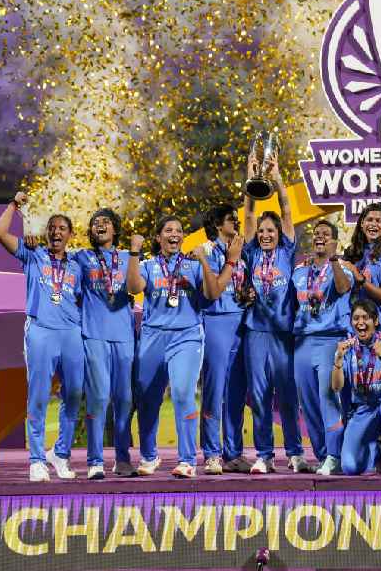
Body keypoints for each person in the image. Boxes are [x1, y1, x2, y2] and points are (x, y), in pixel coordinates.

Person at [126, 216, 239, 478]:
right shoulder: (147, 265)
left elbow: (212, 294)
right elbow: (133, 287)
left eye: (178, 230)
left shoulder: (194, 265)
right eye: (168, 230)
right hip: (153, 336)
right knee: (148, 398)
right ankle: (149, 456)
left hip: (186, 336)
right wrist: (134, 253)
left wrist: (202, 261)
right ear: (158, 238)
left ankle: (187, 460)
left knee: (182, 393)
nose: (174, 234)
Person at [0, 192, 84, 482]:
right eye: (52, 227)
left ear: (70, 234)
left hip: (71, 333)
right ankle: (36, 460)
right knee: (38, 395)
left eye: (62, 228)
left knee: (73, 395)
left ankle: (60, 454)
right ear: (46, 232)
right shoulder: (33, 254)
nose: (56, 231)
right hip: (41, 331)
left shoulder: (77, 265)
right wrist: (14, 205)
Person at [241, 152, 309, 474]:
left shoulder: (286, 251)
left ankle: (295, 452)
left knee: (286, 394)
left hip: (283, 333)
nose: (267, 234)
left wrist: (278, 180)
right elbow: (249, 219)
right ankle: (265, 453)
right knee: (259, 394)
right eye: (263, 231)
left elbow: (285, 210)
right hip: (256, 332)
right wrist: (251, 182)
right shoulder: (252, 251)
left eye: (272, 231)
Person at [74, 208, 135, 479]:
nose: (100, 225)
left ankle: (122, 460)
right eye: (95, 222)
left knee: (124, 400)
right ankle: (95, 461)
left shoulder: (128, 257)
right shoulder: (81, 257)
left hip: (124, 336)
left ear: (115, 229)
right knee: (98, 398)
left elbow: (137, 286)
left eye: (106, 222)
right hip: (94, 334)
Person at [292, 220, 353, 476]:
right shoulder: (299, 272)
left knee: (329, 399)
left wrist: (333, 258)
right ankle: (321, 455)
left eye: (326, 235)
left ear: (334, 241)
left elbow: (342, 288)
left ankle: (334, 454)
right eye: (316, 234)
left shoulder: (342, 269)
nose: (320, 238)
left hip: (330, 340)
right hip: (303, 342)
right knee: (308, 403)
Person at [200, 204, 253, 474]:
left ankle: (233, 453)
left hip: (241, 322)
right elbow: (212, 291)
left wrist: (247, 294)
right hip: (216, 322)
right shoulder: (207, 251)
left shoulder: (240, 255)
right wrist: (231, 260)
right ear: (218, 224)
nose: (236, 222)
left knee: (235, 393)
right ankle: (211, 453)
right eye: (231, 218)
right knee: (215, 389)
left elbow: (236, 286)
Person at [331, 299, 381, 477]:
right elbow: (336, 387)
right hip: (364, 409)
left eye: (365, 318)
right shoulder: (347, 348)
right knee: (350, 468)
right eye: (356, 318)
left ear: (375, 321)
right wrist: (337, 363)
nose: (360, 323)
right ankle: (377, 449)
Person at [341, 203, 381, 333]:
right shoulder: (350, 252)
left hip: (376, 327)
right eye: (369, 220)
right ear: (362, 223)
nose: (373, 224)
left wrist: (360, 279)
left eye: (379, 221)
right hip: (350, 326)